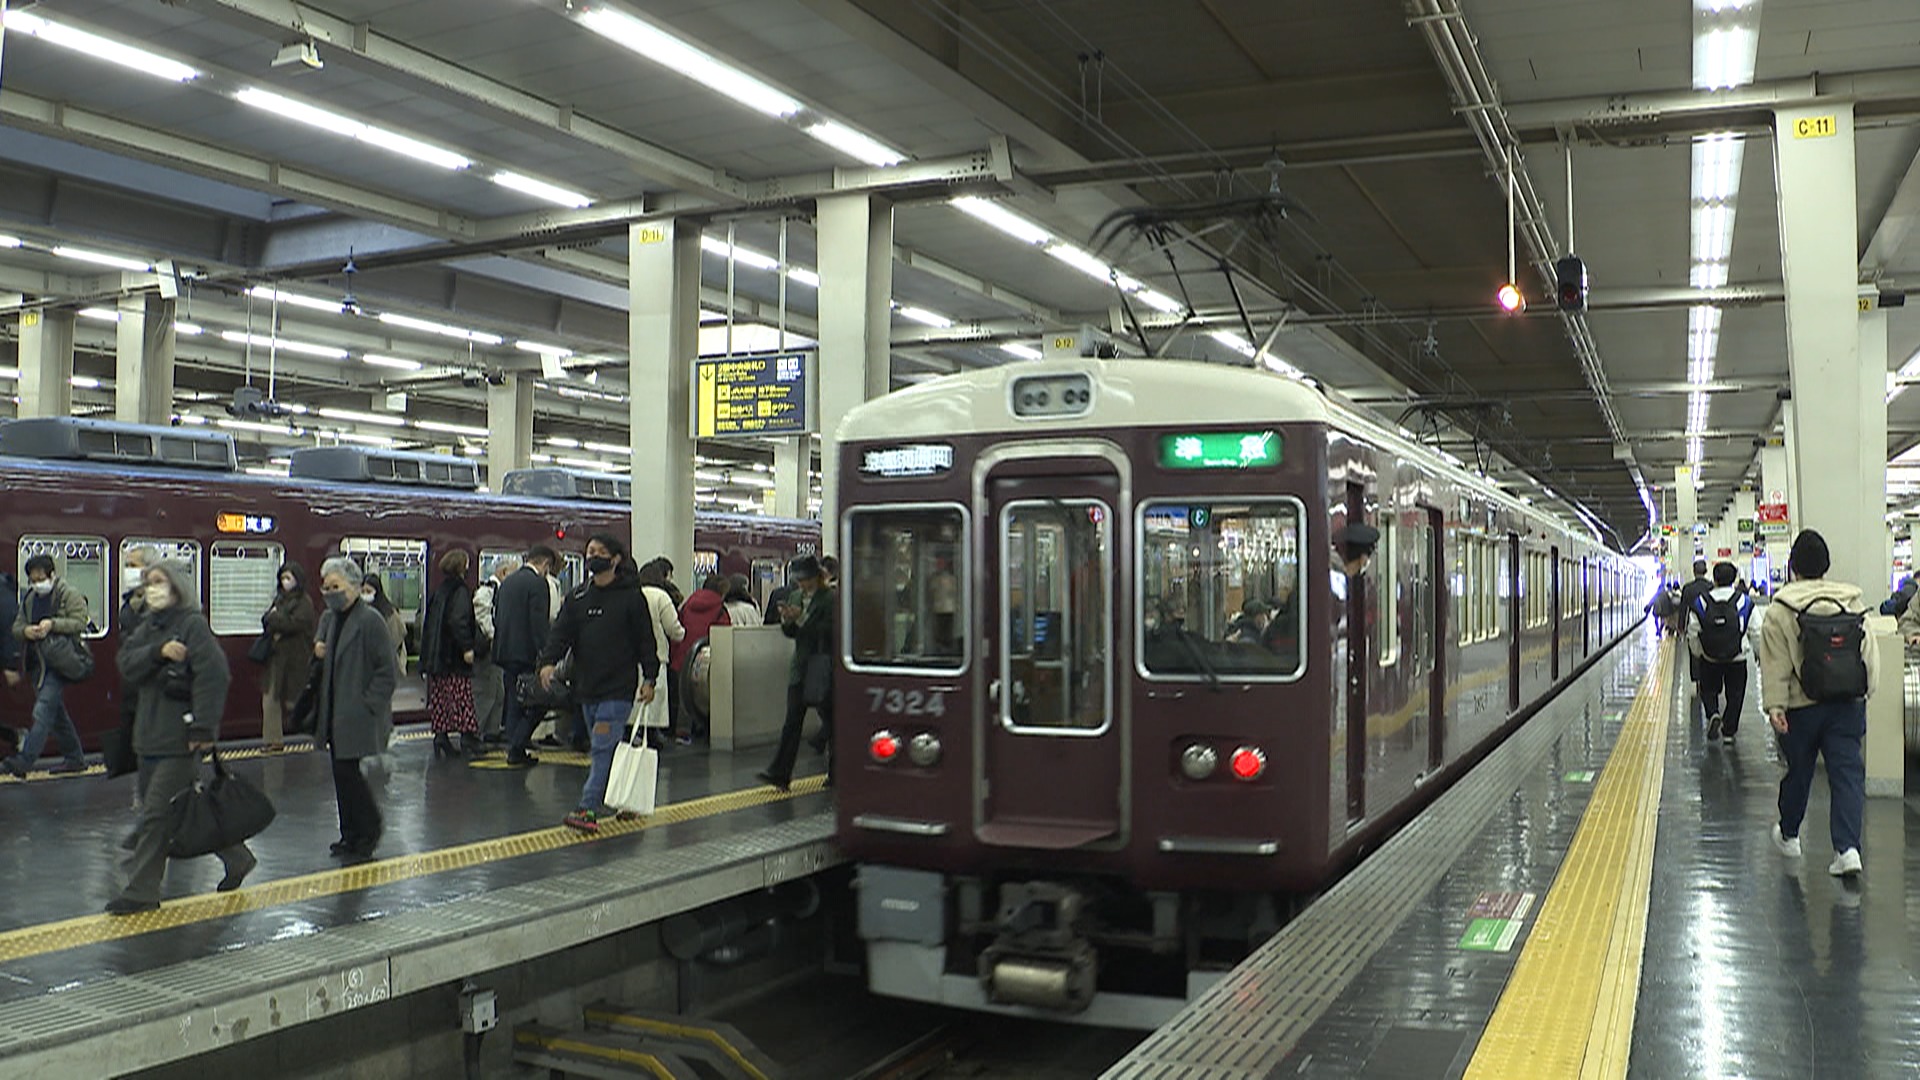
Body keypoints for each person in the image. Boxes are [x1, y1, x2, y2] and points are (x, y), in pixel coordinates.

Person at [108, 560, 252, 915]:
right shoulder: (148, 628)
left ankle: (141, 892)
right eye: (148, 583)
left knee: (156, 814)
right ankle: (236, 855)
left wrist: (203, 727)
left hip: (179, 740)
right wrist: (159, 653)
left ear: (176, 587)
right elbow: (126, 664)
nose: (152, 588)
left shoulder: (192, 626)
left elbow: (214, 676)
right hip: (147, 739)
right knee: (179, 813)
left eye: (159, 582)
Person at [1758, 530, 1876, 878]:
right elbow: (1868, 655)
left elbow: (1775, 663)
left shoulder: (1781, 609)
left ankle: (1790, 834)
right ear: (1826, 566)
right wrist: (1864, 693)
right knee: (1847, 774)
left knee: (1799, 770)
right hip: (1846, 705)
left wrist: (1775, 706)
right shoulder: (1851, 602)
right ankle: (1847, 849)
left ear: (1792, 567)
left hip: (1800, 707)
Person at [538, 534, 659, 833]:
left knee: (602, 749)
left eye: (600, 552)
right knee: (607, 745)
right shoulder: (578, 598)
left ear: (616, 559)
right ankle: (627, 799)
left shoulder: (632, 598)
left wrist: (650, 677)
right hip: (586, 687)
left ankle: (587, 808)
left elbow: (646, 641)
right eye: (590, 551)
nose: (593, 556)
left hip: (617, 689)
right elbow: (560, 634)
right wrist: (547, 662)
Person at [313, 556, 398, 861]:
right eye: (326, 587)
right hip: (336, 712)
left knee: (351, 776)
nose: (330, 592)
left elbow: (388, 671)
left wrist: (368, 704)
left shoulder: (370, 620)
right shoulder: (332, 619)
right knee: (341, 776)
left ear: (354, 586)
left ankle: (369, 830)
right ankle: (349, 834)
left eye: (336, 586)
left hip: (357, 713)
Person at [5, 554, 90, 777]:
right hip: (37, 664)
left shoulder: (68, 594)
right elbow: (17, 626)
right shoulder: (30, 598)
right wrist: (26, 631)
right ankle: (75, 758)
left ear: (52, 575)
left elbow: (80, 622)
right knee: (56, 713)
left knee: (42, 710)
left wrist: (53, 625)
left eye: (40, 578)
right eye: (32, 580)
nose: (37, 584)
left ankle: (24, 761)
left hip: (60, 661)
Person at [759, 555, 836, 792]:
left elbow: (828, 630)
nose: (802, 584)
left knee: (833, 722)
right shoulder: (794, 596)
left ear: (817, 577)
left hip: (823, 666)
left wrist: (800, 618)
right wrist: (788, 620)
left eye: (806, 579)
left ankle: (838, 772)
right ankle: (780, 773)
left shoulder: (830, 599)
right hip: (800, 667)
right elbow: (791, 633)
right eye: (799, 580)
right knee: (792, 721)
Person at [494, 546, 557, 767]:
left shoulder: (507, 582)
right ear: (545, 565)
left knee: (513, 700)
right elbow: (538, 623)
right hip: (527, 654)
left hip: (505, 651)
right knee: (539, 700)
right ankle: (517, 745)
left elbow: (497, 616)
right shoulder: (538, 584)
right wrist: (547, 655)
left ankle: (515, 749)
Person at [1688, 561, 1757, 744]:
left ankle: (1712, 713)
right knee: (1735, 694)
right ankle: (1728, 731)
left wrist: (1698, 652)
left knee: (1709, 690)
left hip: (1709, 657)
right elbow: (1756, 630)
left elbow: (1693, 631)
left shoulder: (1701, 601)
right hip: (1737, 657)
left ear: (1715, 579)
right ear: (1734, 579)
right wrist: (1758, 654)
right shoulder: (1744, 601)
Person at [420, 550, 479, 757]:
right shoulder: (460, 591)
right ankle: (468, 739)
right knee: (461, 697)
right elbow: (458, 620)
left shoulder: (440, 590)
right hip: (453, 656)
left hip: (437, 657)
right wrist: (467, 647)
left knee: (440, 698)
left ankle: (441, 738)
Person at [260, 562, 317, 753]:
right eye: (283, 578)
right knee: (270, 700)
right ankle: (273, 741)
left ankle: (316, 733)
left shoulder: (304, 602)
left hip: (296, 660)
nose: (285, 582)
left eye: (289, 578)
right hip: (276, 660)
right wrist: (274, 620)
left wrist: (274, 619)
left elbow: (293, 624)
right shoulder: (280, 600)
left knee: (297, 700)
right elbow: (267, 620)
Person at [676, 574, 733, 743]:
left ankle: (683, 731)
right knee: (707, 696)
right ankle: (705, 728)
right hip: (707, 661)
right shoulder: (720, 609)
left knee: (684, 696)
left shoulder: (687, 604)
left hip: (684, 657)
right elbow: (724, 634)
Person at [636, 560, 687, 749]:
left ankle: (633, 733)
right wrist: (682, 634)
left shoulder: (632, 594)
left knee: (634, 697)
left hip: (630, 658)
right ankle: (651, 734)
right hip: (657, 655)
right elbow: (674, 629)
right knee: (654, 699)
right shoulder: (660, 596)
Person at [471, 558, 517, 746]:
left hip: (498, 649)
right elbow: (482, 617)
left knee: (498, 692)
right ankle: (475, 733)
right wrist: (495, 637)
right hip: (488, 649)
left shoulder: (500, 591)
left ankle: (492, 730)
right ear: (504, 572)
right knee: (486, 693)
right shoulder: (487, 591)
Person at [361, 575, 407, 676]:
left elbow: (396, 637)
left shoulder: (389, 613)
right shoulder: (358, 611)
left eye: (368, 591)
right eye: (362, 591)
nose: (365, 595)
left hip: (384, 665)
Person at [1678, 560, 1713, 683]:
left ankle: (1696, 680)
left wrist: (1681, 627)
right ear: (1706, 571)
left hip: (1692, 627)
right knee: (1709, 653)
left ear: (1694, 572)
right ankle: (1707, 679)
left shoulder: (1687, 588)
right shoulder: (1711, 587)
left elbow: (1683, 609)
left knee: (1694, 653)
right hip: (1709, 626)